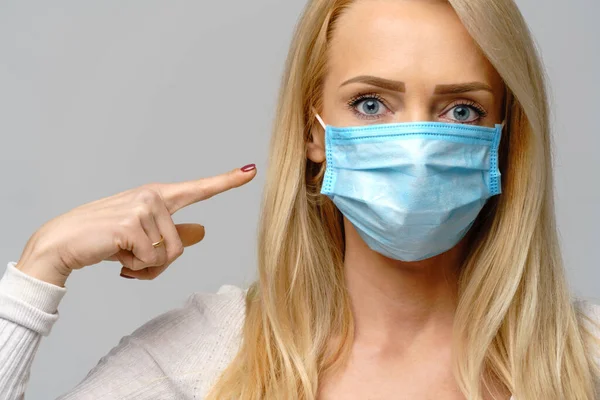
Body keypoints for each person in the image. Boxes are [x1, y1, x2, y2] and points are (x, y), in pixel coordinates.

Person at [1, 0, 599, 398]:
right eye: (371, 103)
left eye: (461, 109)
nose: (416, 148)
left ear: (502, 138)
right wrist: (38, 270)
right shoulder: (208, 359)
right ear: (314, 132)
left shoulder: (585, 364)